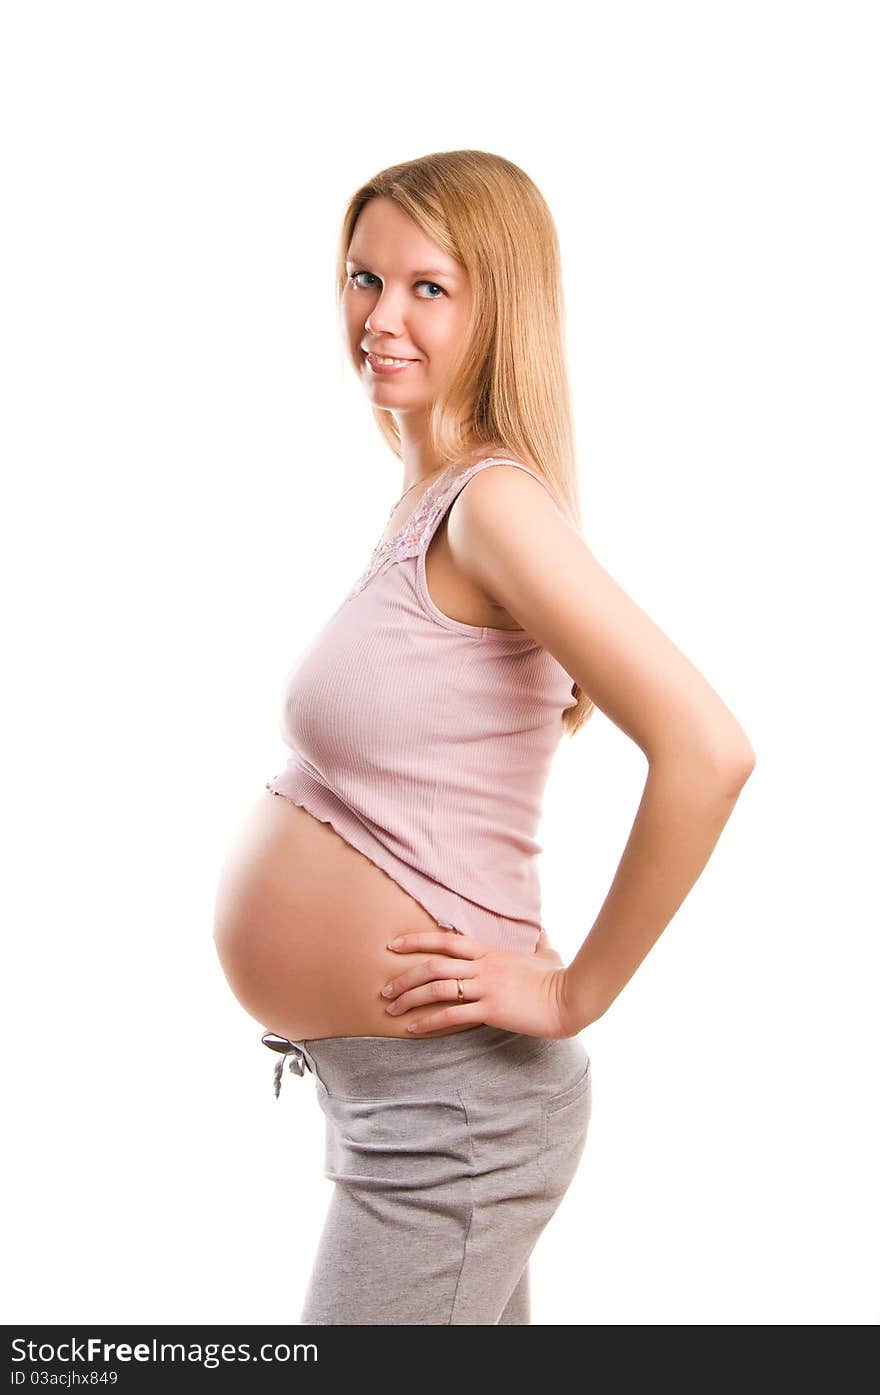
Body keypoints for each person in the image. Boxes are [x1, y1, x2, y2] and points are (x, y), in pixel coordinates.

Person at [214, 149, 756, 1325]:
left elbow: (707, 750)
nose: (379, 317)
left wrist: (574, 994)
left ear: (497, 304)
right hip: (405, 1106)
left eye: (428, 287)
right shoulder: (429, 500)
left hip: (456, 1116)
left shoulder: (493, 506)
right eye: (363, 278)